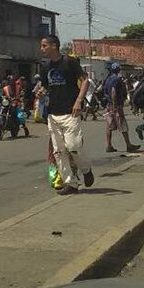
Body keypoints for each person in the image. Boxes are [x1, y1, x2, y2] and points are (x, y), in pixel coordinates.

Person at [40, 34, 92, 195]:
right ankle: (71, 183)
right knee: (59, 151)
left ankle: (86, 170)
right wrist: (42, 92)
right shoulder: (45, 67)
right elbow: (46, 86)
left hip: (70, 112)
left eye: (44, 46)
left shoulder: (69, 62)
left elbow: (85, 80)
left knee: (73, 147)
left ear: (54, 46)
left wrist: (79, 101)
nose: (41, 49)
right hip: (53, 113)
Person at [103, 62, 140, 154]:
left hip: (109, 105)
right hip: (116, 105)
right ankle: (128, 145)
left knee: (109, 126)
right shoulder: (117, 79)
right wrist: (115, 106)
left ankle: (109, 145)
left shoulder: (108, 79)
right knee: (122, 125)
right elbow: (113, 92)